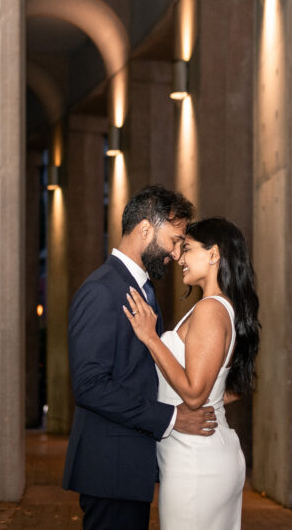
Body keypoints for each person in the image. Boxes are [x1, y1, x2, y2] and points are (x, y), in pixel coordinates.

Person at [62, 185, 218, 530]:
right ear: (145, 229)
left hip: (129, 469)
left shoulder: (141, 289)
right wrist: (170, 418)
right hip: (110, 469)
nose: (177, 254)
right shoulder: (102, 290)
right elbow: (89, 386)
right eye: (175, 240)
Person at [123, 217, 261, 530]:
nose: (180, 259)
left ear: (214, 255)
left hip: (197, 463)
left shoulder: (210, 309)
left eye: (187, 249)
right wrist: (206, 403)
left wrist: (151, 337)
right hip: (199, 454)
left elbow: (195, 393)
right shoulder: (217, 307)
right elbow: (233, 386)